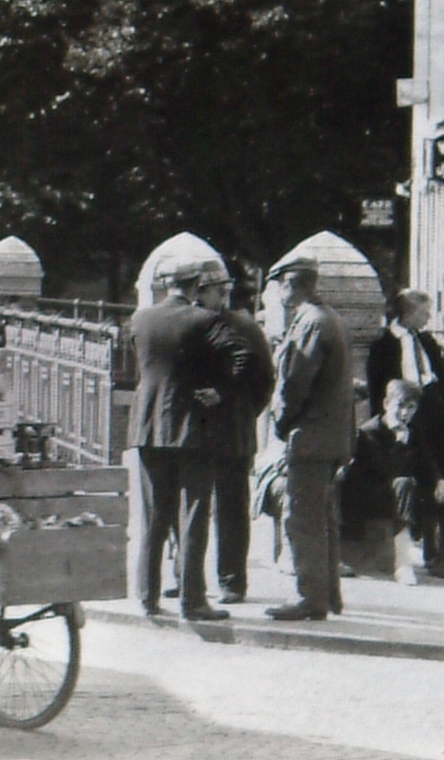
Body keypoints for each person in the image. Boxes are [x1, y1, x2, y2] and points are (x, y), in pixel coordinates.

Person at [128, 259, 240, 620]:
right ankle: (192, 600)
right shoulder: (206, 320)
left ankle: (147, 596)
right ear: (195, 285)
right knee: (193, 513)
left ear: (165, 285)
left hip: (148, 426)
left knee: (154, 515)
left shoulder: (140, 319)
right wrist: (220, 390)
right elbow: (235, 360)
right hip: (192, 427)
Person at [367, 287, 444, 583]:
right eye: (424, 313)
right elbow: (380, 391)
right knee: (418, 482)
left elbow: (440, 379)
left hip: (441, 424)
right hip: (410, 422)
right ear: (407, 313)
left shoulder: (427, 342)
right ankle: (419, 551)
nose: (428, 318)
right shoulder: (384, 346)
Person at [266, 254, 357, 621]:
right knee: (323, 518)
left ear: (292, 284)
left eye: (280, 285)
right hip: (331, 437)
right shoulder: (330, 318)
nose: (278, 293)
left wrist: (281, 422)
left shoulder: (310, 322)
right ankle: (328, 595)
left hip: (310, 438)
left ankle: (310, 598)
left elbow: (295, 383)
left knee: (302, 519)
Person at [201, 266, 274, 606]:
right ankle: (192, 578)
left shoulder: (242, 327)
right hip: (214, 430)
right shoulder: (196, 324)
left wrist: (239, 409)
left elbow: (264, 380)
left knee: (230, 509)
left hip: (230, 431)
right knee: (204, 508)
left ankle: (231, 581)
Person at [339, 379, 444, 582]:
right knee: (404, 484)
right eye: (400, 406)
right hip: (366, 498)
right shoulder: (369, 432)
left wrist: (439, 481)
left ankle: (440, 557)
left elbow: (426, 463)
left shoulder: (412, 432)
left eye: (411, 408)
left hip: (395, 495)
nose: (405, 413)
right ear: (386, 403)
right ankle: (403, 563)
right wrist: (400, 443)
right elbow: (386, 471)